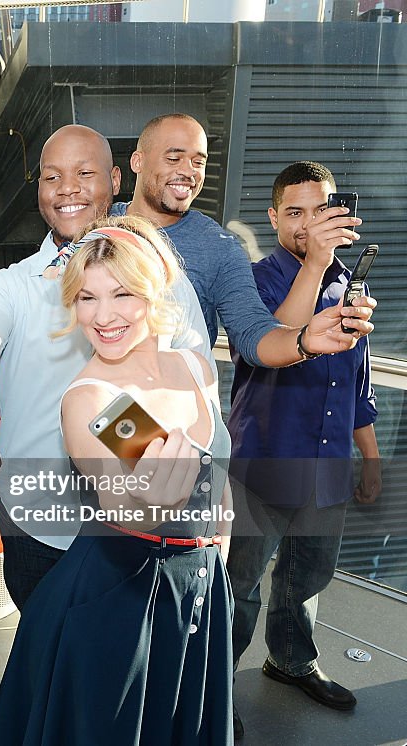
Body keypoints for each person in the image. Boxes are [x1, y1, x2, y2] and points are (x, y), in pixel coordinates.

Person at [0, 125, 214, 611]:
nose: (67, 187)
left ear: (115, 180)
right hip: (38, 523)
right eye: (52, 176)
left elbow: (197, 385)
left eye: (84, 173)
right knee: (47, 662)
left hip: (145, 535)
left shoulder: (164, 281)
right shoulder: (13, 286)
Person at [0, 217, 234, 746]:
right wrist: (153, 500)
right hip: (119, 599)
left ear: (154, 291)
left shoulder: (194, 366)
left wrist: (214, 566)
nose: (103, 315)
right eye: (86, 298)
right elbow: (122, 504)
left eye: (121, 293)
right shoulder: (95, 397)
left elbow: (222, 482)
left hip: (200, 590)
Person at [226, 162, 381, 739]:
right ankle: (216, 686)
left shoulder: (350, 281)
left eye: (321, 210)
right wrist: (314, 264)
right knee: (238, 590)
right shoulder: (256, 278)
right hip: (264, 462)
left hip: (329, 464)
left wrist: (367, 456)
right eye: (294, 212)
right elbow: (273, 342)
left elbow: (356, 383)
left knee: (307, 576)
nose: (308, 224)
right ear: (273, 218)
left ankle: (290, 660)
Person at [113, 113, 368, 365]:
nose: (187, 171)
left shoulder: (219, 247)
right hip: (90, 398)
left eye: (198, 162)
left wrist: (304, 341)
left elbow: (253, 331)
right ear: (137, 161)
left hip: (174, 400)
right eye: (173, 158)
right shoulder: (98, 226)